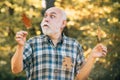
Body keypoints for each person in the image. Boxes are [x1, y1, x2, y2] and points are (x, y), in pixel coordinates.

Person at [11, 7, 107, 80]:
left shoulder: (74, 45)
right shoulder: (32, 42)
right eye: (45, 16)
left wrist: (92, 57)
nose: (46, 19)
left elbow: (81, 77)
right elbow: (15, 69)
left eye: (52, 16)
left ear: (63, 24)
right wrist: (20, 47)